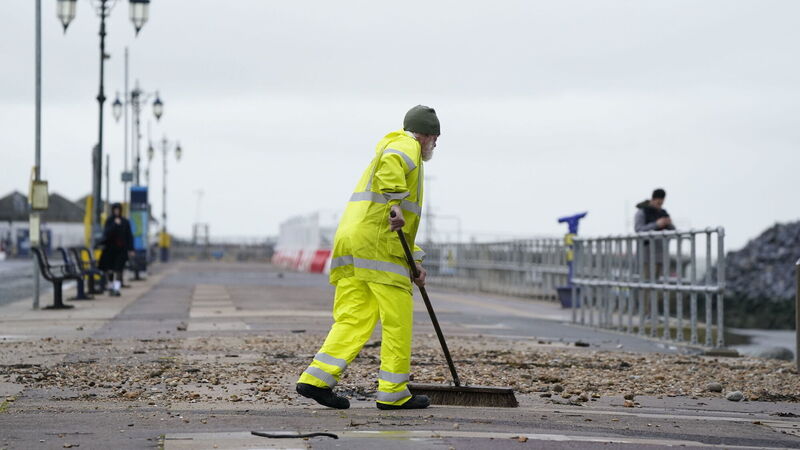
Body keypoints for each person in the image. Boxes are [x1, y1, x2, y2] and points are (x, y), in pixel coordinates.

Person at [296, 105, 440, 410]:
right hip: (379, 248)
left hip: (353, 243)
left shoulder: (393, 147)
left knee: (354, 317)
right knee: (397, 321)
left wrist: (415, 262)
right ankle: (393, 392)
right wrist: (396, 202)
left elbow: (398, 225)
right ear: (426, 135)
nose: (435, 145)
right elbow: (392, 168)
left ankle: (316, 379)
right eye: (435, 138)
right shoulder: (406, 145)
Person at [98, 203, 134, 297]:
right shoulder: (109, 221)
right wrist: (114, 224)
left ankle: (117, 289)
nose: (117, 211)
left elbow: (129, 236)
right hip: (110, 250)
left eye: (118, 209)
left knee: (119, 269)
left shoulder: (125, 221)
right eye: (115, 209)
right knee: (110, 270)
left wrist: (131, 249)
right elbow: (106, 233)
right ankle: (111, 287)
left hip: (121, 250)